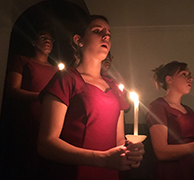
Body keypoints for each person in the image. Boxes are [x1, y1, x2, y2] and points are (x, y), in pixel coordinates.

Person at [38, 15, 144, 180]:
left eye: (109, 33)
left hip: (108, 174)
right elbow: (46, 144)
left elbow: (118, 141)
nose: (106, 36)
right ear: (79, 40)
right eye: (97, 31)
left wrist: (130, 154)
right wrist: (102, 159)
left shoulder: (115, 88)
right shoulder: (66, 79)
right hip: (73, 173)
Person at [146, 61, 194, 180]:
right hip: (173, 172)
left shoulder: (188, 110)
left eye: (190, 75)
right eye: (184, 74)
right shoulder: (158, 107)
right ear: (169, 79)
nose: (190, 79)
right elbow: (161, 152)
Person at [1, 29, 58, 179]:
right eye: (42, 37)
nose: (47, 41)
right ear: (33, 42)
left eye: (50, 39)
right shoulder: (22, 61)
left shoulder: (56, 70)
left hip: (48, 122)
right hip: (26, 122)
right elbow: (12, 90)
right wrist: (41, 96)